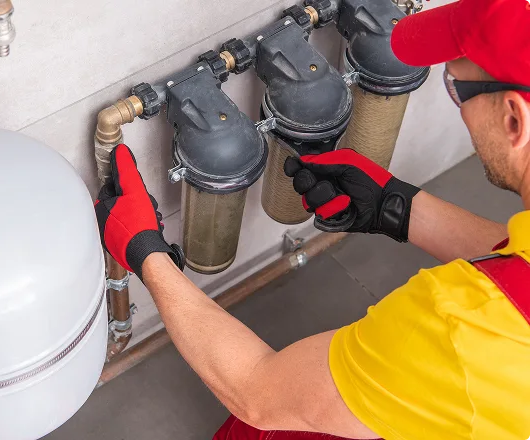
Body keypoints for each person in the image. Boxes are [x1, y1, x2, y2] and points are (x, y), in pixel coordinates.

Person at [94, 0, 530, 438]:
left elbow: (259, 394)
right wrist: (394, 206)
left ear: (514, 119)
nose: (460, 107)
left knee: (260, 431)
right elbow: (518, 266)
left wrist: (146, 251)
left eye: (457, 88)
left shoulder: (464, 334)